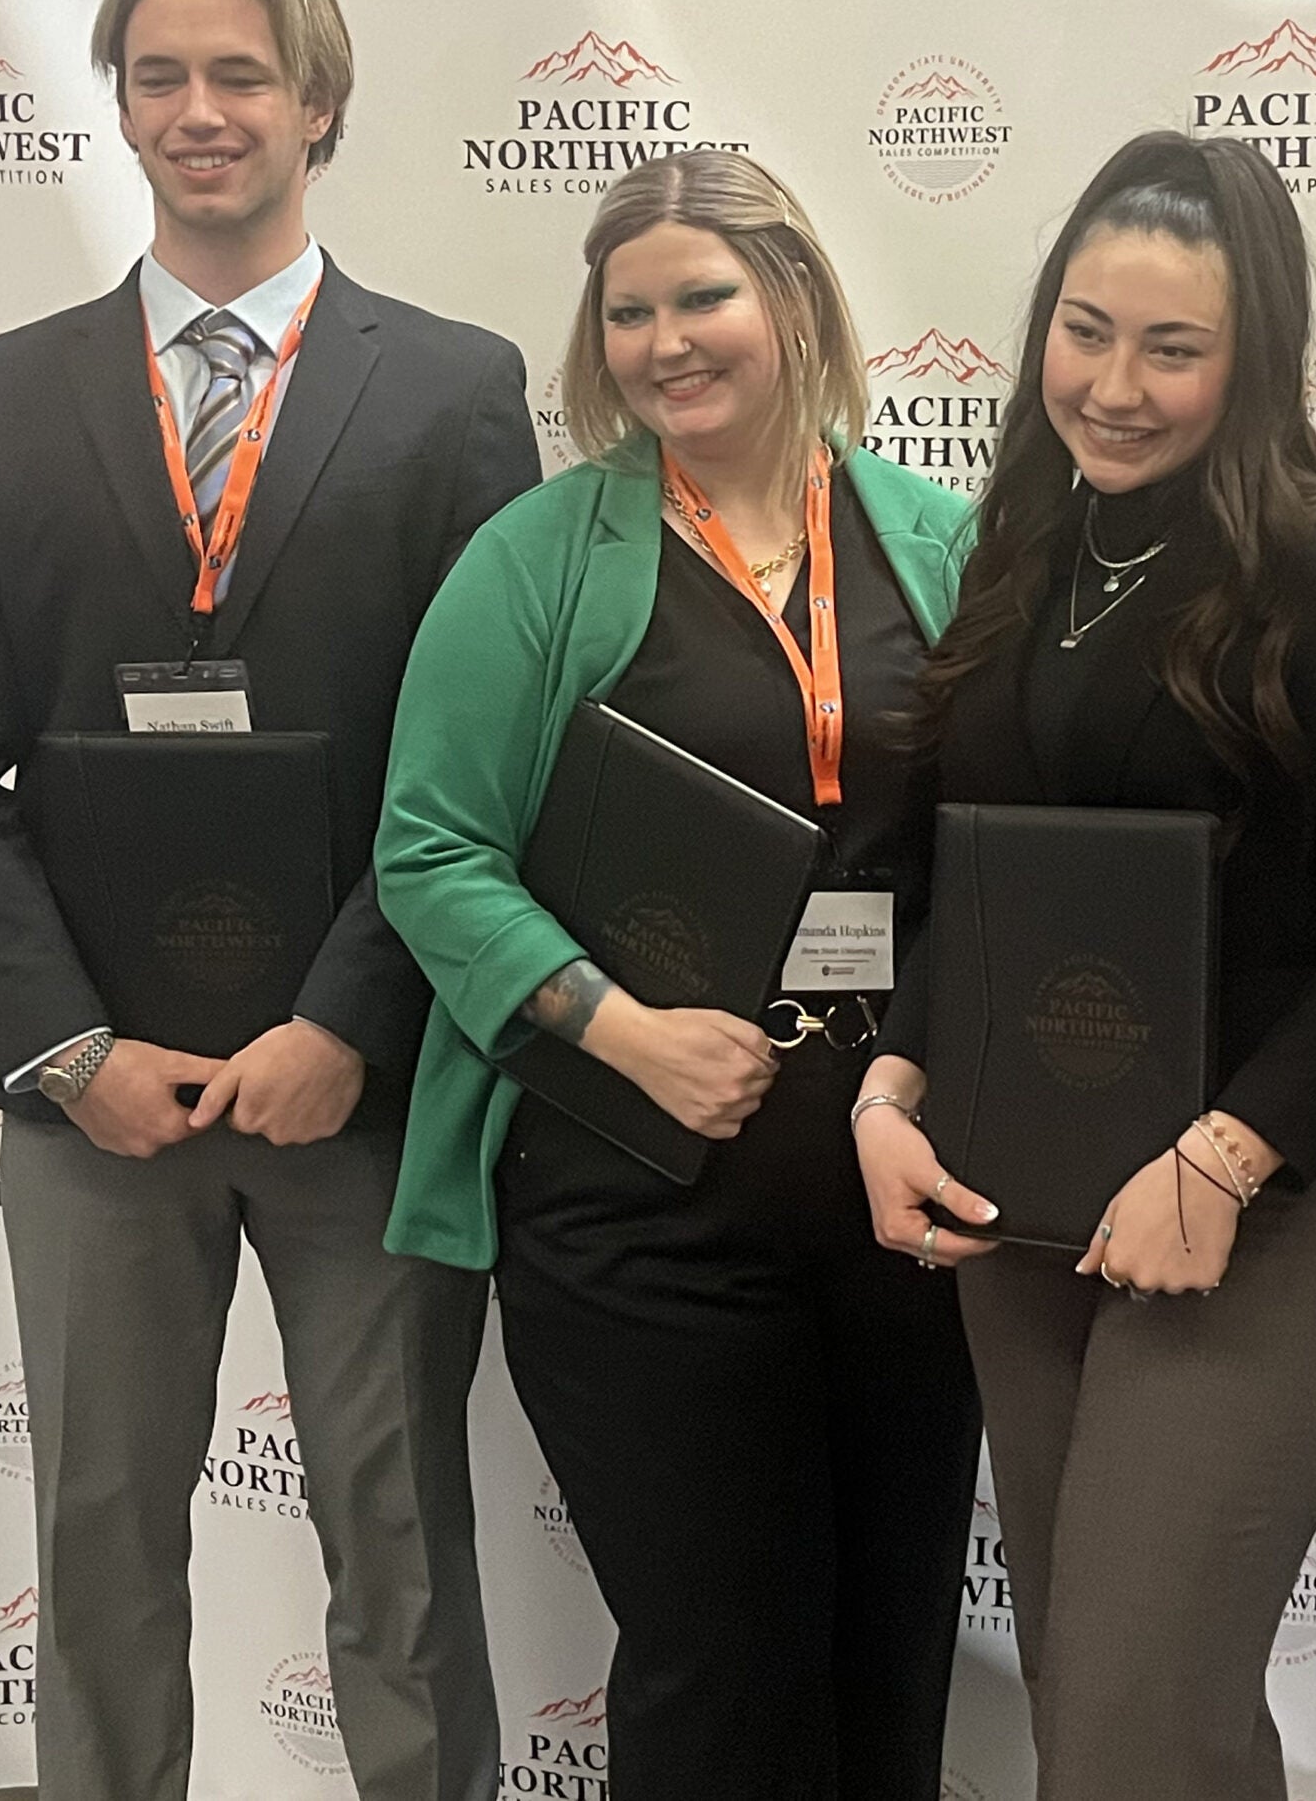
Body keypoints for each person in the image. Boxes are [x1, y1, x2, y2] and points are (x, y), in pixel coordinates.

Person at [0, 0, 533, 1801]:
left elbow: (474, 765)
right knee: (98, 1557)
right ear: (119, 104)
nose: (198, 111)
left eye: (240, 74)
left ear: (318, 102)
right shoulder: (4, 395)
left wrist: (349, 1018)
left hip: (364, 1089)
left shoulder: (454, 391)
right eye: (158, 76)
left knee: (403, 1563)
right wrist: (64, 1051)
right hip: (96, 1105)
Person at [849, 130, 1316, 1801]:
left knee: (1124, 1724)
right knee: (1124, 1711)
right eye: (1085, 330)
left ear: (1249, 360)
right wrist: (892, 1079)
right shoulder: (1027, 551)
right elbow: (972, 884)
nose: (1114, 386)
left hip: (1267, 1216)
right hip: (1022, 1200)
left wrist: (1228, 1152)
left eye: (1172, 348)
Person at [373, 150, 981, 1800]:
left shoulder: (944, 541)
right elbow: (429, 850)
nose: (664, 342)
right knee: (721, 1676)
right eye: (627, 311)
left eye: (701, 296)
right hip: (632, 1197)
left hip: (899, 1196)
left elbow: (999, 859)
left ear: (793, 300)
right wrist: (622, 1031)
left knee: (891, 1654)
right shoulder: (537, 557)